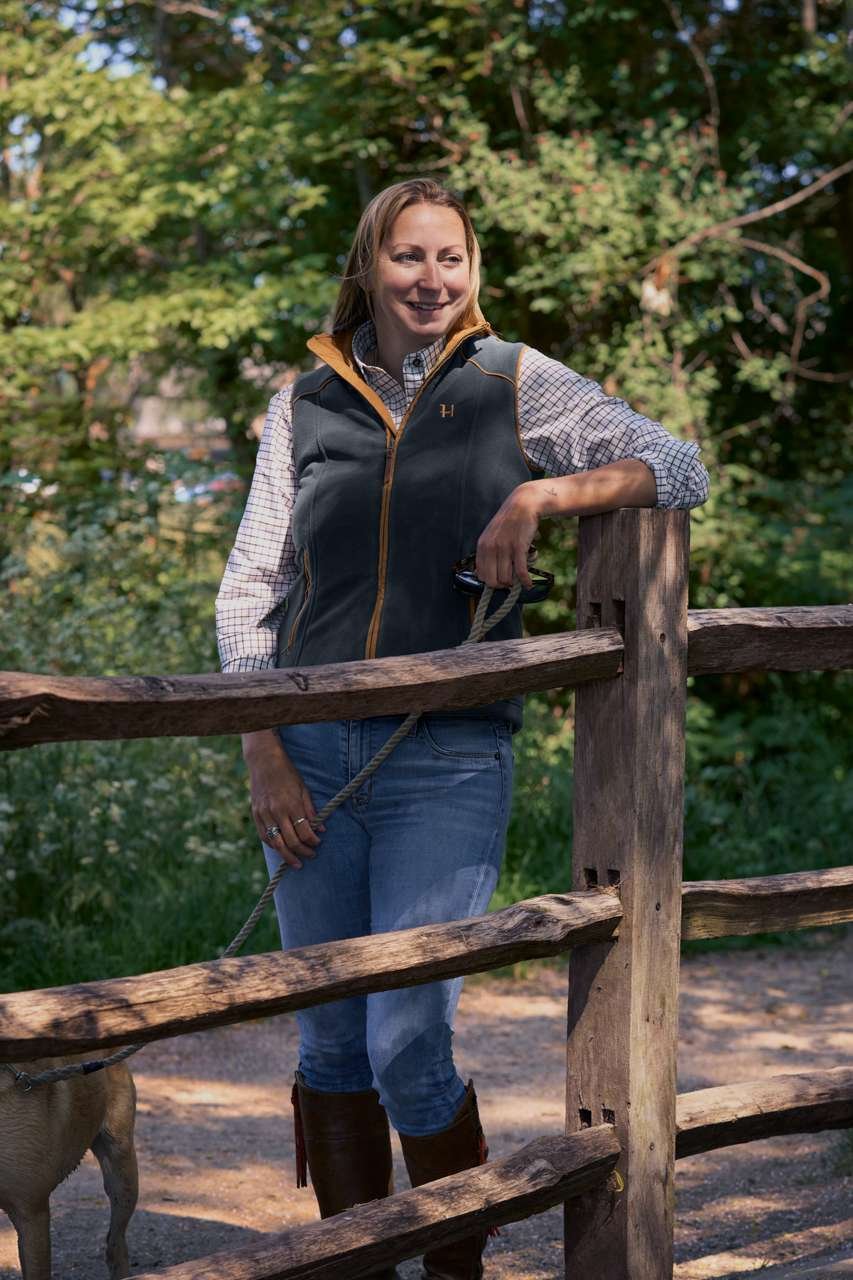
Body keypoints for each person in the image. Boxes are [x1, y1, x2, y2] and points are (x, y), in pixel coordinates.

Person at [215, 177, 710, 1279]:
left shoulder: (512, 381)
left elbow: (681, 467)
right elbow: (253, 582)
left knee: (405, 1040)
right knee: (329, 1038)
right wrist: (261, 745)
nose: (430, 278)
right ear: (369, 266)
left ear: (472, 270)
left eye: (451, 257)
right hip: (306, 753)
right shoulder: (303, 402)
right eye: (408, 256)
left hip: (446, 759)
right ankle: (354, 1262)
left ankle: (452, 1262)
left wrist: (539, 498)